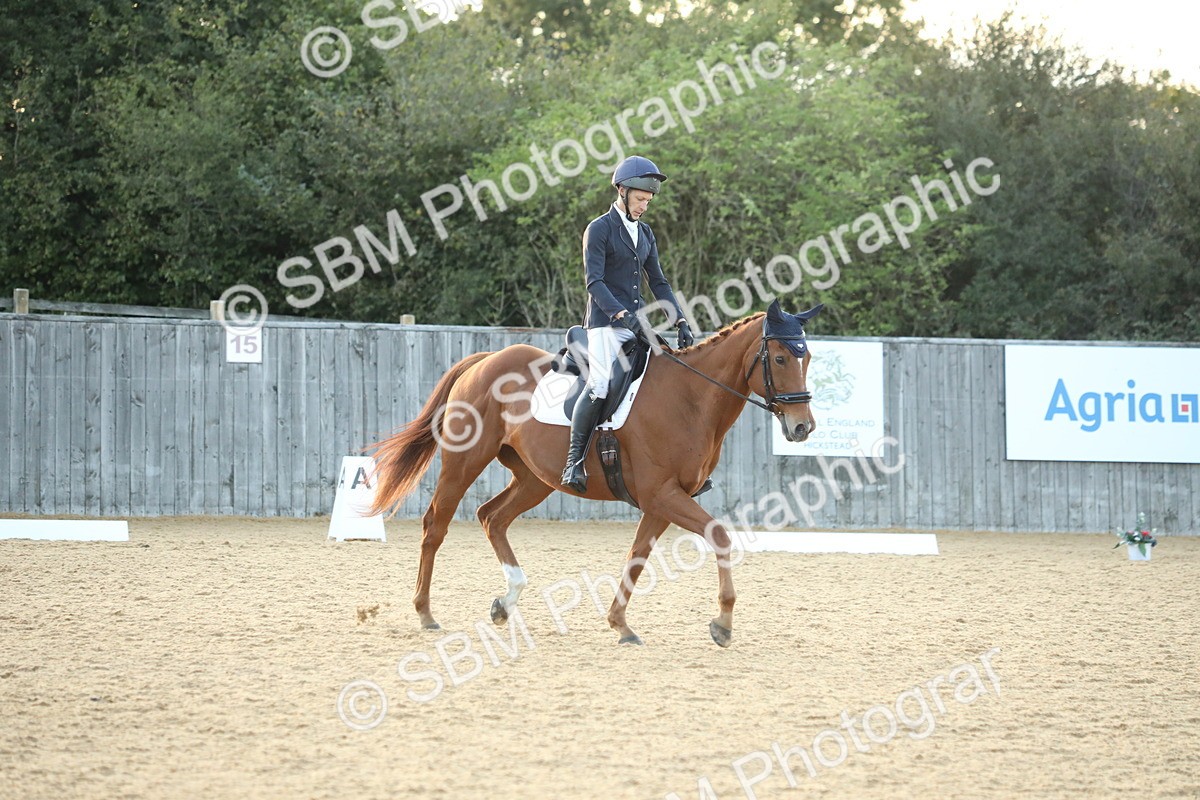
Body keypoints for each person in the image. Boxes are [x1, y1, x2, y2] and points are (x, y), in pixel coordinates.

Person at [560, 155, 695, 493]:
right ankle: (573, 461)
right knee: (601, 385)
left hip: (636, 325)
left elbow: (659, 282)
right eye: (639, 199)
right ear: (622, 190)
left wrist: (679, 318)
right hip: (606, 323)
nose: (644, 206)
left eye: (648, 201)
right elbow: (594, 282)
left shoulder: (645, 233)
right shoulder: (600, 229)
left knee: (663, 379)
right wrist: (622, 315)